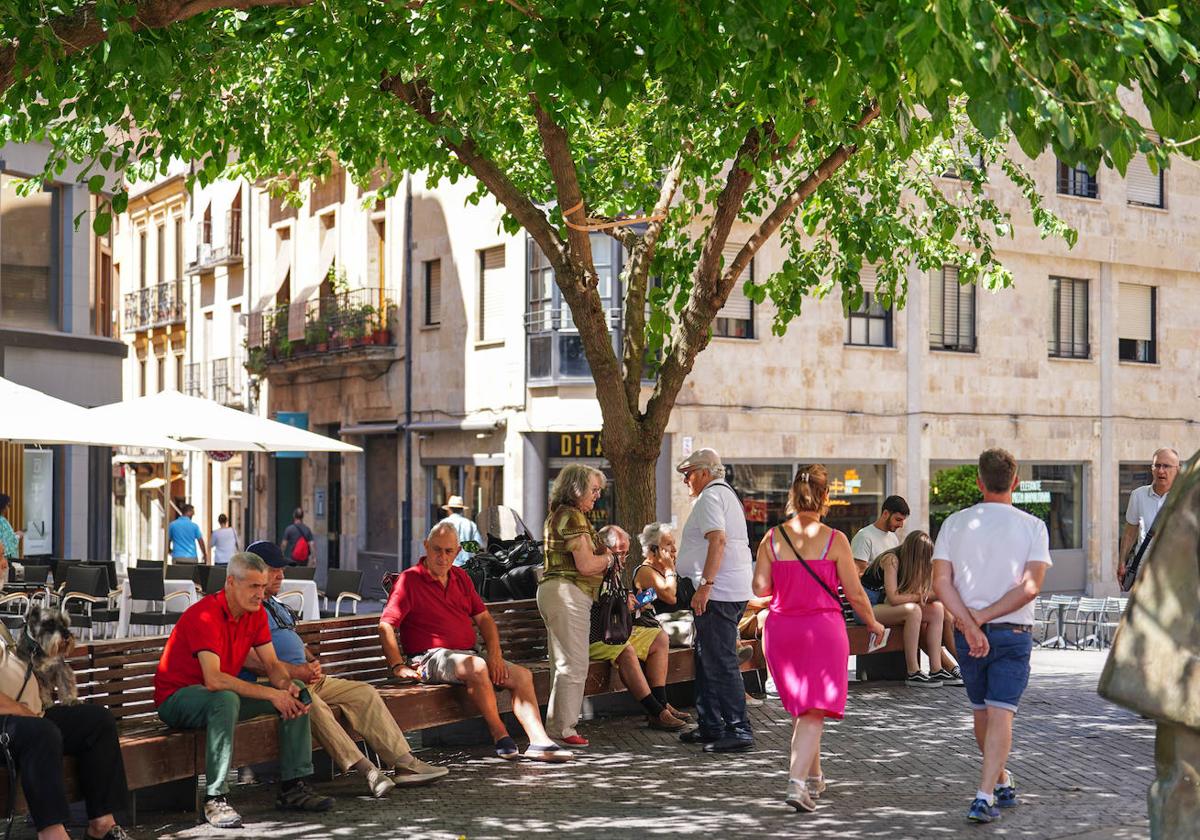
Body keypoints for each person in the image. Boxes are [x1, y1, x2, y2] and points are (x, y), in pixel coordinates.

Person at [240, 540, 448, 796]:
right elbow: (249, 659)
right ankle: (368, 770)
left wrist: (311, 661)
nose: (281, 575)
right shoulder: (247, 608)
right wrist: (295, 673)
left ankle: (405, 763)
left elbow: (294, 639)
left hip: (308, 677)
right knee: (311, 704)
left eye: (282, 569)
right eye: (274, 569)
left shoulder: (276, 605)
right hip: (277, 685)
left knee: (364, 693)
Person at [154, 551, 334, 828]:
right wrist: (274, 694)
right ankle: (215, 798)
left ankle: (293, 787)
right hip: (179, 699)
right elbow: (214, 680)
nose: (260, 594)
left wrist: (287, 687)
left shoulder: (256, 614)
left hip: (218, 698)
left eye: (262, 587)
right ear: (230, 583)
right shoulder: (205, 615)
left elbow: (273, 665)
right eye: (253, 586)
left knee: (296, 691)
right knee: (225, 699)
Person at [379, 522, 571, 762]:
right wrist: (398, 665)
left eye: (449, 551)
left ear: (458, 552)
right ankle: (500, 735)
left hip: (468, 655)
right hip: (429, 657)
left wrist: (495, 654)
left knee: (522, 676)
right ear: (426, 547)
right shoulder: (410, 580)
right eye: (437, 550)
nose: (442, 557)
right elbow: (386, 624)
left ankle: (539, 741)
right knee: (476, 667)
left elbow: (485, 619)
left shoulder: (460, 577)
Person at [754, 465, 885, 812]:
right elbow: (856, 594)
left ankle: (814, 776)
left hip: (781, 630)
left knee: (805, 707)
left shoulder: (772, 538)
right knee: (813, 709)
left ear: (792, 497)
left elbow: (760, 588)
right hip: (823, 630)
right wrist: (873, 623)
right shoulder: (835, 539)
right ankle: (797, 783)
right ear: (826, 496)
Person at [932, 448, 1051, 824]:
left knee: (983, 714)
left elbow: (941, 583)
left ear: (980, 482)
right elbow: (1031, 587)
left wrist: (969, 622)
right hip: (1013, 631)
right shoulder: (1033, 526)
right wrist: (980, 618)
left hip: (969, 635)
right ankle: (990, 789)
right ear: (1014, 482)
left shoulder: (954, 523)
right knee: (999, 715)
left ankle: (993, 786)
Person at [0, 542, 133, 840]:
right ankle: (52, 832)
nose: (6, 563)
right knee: (42, 732)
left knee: (97, 721)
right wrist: (22, 709)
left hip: (28, 714)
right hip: (11, 722)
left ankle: (102, 823)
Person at [675, 447, 755, 753]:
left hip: (718, 592)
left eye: (689, 473)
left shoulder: (710, 496)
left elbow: (717, 540)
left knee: (720, 660)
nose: (686, 481)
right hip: (727, 590)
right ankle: (711, 724)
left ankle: (738, 728)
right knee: (706, 657)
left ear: (706, 472)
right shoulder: (725, 494)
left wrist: (706, 585)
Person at [536, 464, 614, 747]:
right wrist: (610, 560)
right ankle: (563, 730)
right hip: (567, 593)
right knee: (574, 664)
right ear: (577, 488)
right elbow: (585, 565)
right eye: (593, 490)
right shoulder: (572, 516)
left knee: (563, 664)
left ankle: (559, 727)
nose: (597, 496)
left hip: (557, 592)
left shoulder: (561, 514)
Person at [589, 525, 688, 730]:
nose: (623, 559)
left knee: (659, 638)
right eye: (619, 553)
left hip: (616, 630)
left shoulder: (614, 570)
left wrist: (628, 599)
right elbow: (596, 606)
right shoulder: (593, 569)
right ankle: (656, 711)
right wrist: (624, 601)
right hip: (597, 635)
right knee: (626, 651)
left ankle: (662, 703)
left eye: (625, 553)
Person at [859, 531, 963, 687]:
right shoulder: (891, 560)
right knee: (913, 610)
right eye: (924, 557)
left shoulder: (910, 565)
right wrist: (920, 596)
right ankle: (913, 672)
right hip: (867, 609)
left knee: (937, 610)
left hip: (884, 606)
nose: (926, 561)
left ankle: (936, 668)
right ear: (915, 554)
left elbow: (913, 594)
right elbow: (894, 598)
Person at [1117, 447, 1180, 586]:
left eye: (1166, 466)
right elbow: (1129, 532)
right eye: (1157, 465)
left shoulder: (1187, 498)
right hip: (1144, 572)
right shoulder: (1138, 495)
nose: (1161, 470)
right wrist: (1122, 561)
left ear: (1178, 470)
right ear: (1152, 469)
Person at [633, 522, 694, 646]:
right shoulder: (645, 572)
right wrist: (669, 569)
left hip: (685, 631)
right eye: (668, 544)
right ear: (652, 549)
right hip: (663, 635)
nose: (674, 549)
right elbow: (670, 597)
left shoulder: (669, 569)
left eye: (674, 544)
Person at [849, 495, 909, 574]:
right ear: (885, 513)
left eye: (902, 520)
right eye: (898, 519)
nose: (901, 525)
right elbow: (859, 572)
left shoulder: (893, 538)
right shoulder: (864, 537)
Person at [440, 495, 483, 566]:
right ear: (462, 510)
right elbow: (479, 545)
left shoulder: (443, 524)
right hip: (466, 567)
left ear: (449, 509)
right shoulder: (470, 524)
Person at [0, 492, 21, 560]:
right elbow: (9, 542)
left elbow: (4, 537)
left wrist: (14, 534)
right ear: (3, 506)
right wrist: (18, 536)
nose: (7, 508)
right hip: (5, 559)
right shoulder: (2, 521)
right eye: (7, 505)